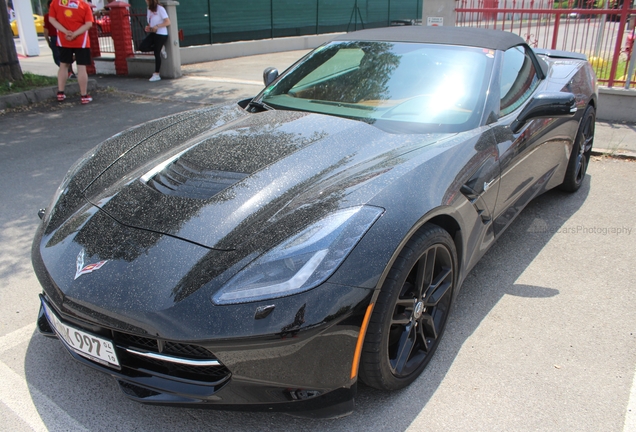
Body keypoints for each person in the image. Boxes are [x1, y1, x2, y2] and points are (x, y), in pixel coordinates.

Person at [49, 0, 94, 104]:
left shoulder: (55, 3)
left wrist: (65, 31)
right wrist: (75, 34)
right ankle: (84, 95)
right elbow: (88, 24)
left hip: (64, 39)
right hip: (81, 40)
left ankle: (60, 92)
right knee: (81, 67)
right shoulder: (84, 5)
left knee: (63, 65)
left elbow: (52, 19)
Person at [43, 0, 76, 78]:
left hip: (55, 38)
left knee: (58, 58)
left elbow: (46, 31)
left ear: (48, 7)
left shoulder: (48, 16)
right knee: (66, 55)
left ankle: (68, 72)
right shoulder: (63, 14)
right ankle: (71, 71)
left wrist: (48, 41)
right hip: (64, 36)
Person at [139, 0, 170, 82]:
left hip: (161, 34)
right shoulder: (149, 9)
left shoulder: (160, 8)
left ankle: (156, 74)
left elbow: (167, 22)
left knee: (157, 53)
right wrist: (149, 27)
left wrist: (157, 26)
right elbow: (151, 22)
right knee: (142, 47)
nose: (145, 1)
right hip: (154, 33)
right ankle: (160, 48)